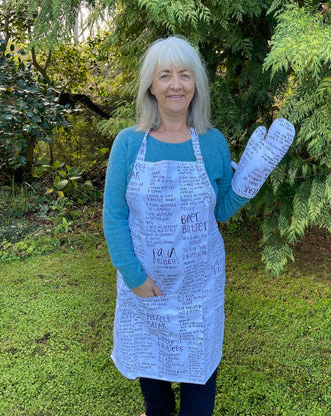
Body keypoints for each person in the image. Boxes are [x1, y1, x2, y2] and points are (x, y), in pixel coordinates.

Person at [103, 35, 250, 416]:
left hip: (198, 295)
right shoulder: (128, 144)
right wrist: (134, 277)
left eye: (185, 75)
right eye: (165, 75)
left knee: (199, 394)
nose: (175, 84)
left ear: (195, 84)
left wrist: (249, 181)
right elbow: (114, 215)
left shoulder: (213, 143)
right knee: (157, 398)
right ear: (150, 85)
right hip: (146, 293)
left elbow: (221, 210)